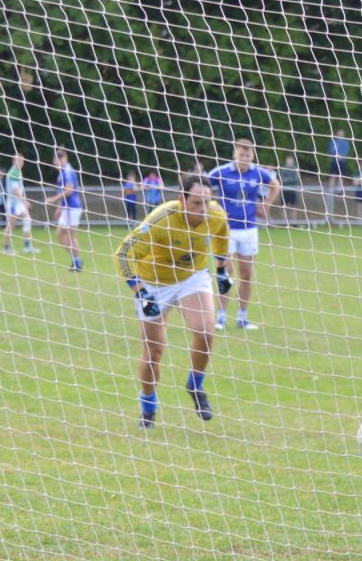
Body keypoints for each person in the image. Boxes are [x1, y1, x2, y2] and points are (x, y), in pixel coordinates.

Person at [114, 176, 232, 427]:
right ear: (182, 200)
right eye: (196, 203)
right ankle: (148, 407)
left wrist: (221, 270)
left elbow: (222, 235)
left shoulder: (215, 214)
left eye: (206, 202)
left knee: (205, 331)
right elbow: (123, 253)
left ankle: (195, 384)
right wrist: (141, 292)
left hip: (192, 277)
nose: (202, 209)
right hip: (153, 283)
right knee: (154, 352)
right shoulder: (161, 219)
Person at [207, 136, 279, 331]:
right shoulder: (222, 172)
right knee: (225, 272)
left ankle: (242, 317)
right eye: (241, 154)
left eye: (247, 155)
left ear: (252, 155)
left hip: (249, 229)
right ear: (234, 154)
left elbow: (275, 185)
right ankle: (220, 317)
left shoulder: (258, 173)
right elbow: (203, 185)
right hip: (226, 229)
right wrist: (211, 208)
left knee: (246, 273)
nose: (244, 158)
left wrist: (265, 205)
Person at [45, 149, 84, 271]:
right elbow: (63, 191)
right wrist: (59, 207)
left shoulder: (67, 171)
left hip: (73, 207)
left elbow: (69, 190)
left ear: (62, 159)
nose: (55, 163)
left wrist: (53, 199)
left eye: (57, 160)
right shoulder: (62, 172)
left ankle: (77, 262)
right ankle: (76, 258)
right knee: (60, 234)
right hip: (67, 208)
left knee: (71, 236)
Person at [2, 153, 38, 254]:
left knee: (27, 220)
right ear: (14, 161)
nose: (21, 163)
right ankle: (6, 248)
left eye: (22, 161)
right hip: (13, 203)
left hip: (18, 202)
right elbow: (15, 190)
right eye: (18, 161)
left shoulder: (17, 171)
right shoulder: (13, 172)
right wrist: (25, 201)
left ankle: (27, 247)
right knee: (11, 225)